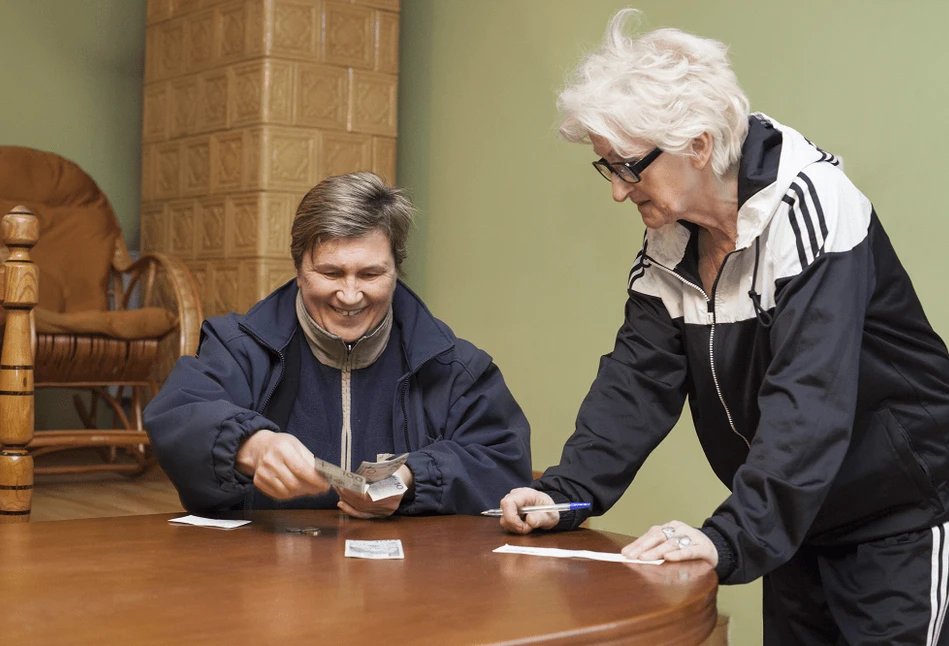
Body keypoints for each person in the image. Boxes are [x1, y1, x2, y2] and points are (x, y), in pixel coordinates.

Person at [498, 8, 949, 645]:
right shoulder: (669, 239)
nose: (619, 192)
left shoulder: (811, 209)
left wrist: (727, 537)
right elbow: (638, 380)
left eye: (630, 166)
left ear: (699, 145)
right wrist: (567, 493)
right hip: (797, 519)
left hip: (894, 517)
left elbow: (809, 402)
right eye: (609, 167)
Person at [145, 171, 532, 519]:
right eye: (330, 272)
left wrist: (413, 477)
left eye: (370, 274)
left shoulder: (453, 366)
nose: (350, 295)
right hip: (264, 578)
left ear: (396, 270)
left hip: (408, 586)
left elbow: (503, 463)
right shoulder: (239, 347)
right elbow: (179, 413)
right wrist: (252, 445)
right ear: (298, 269)